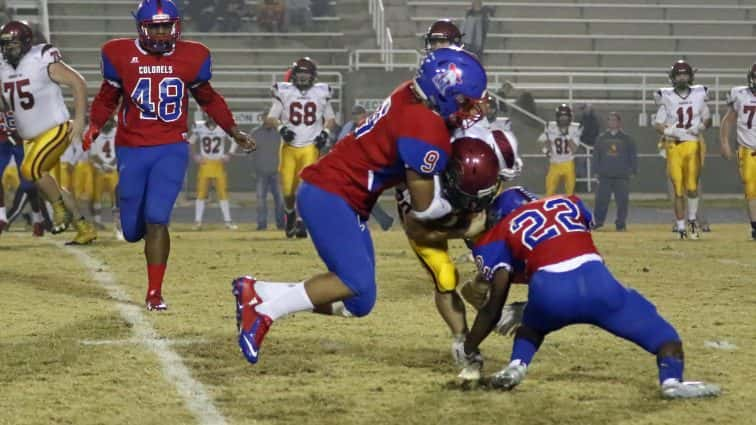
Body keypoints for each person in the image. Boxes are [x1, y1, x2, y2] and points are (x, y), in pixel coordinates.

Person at [231, 47, 488, 365]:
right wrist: (467, 222)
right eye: (464, 100)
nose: (467, 108)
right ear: (444, 90)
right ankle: (264, 312)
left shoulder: (408, 92)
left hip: (340, 194)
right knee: (353, 281)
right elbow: (424, 208)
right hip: (331, 194)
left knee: (360, 301)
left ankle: (257, 291)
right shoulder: (425, 126)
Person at [458, 187, 721, 399]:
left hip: (550, 293)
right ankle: (672, 381)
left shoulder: (502, 230)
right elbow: (573, 236)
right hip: (600, 285)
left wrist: (469, 346)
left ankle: (516, 365)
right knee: (666, 339)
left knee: (532, 327)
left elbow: (493, 307)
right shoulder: (568, 202)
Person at [83, 0, 254, 311]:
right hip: (131, 147)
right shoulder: (118, 53)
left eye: (166, 25)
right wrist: (94, 125)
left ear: (177, 25)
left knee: (158, 218)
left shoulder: (194, 55)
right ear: (141, 27)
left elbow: (208, 98)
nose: (161, 32)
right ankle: (126, 208)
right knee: (134, 232)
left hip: (171, 147)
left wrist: (233, 130)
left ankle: (154, 293)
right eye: (154, 26)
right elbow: (108, 96)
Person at [0, 20, 97, 244]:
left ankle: (59, 211)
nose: (7, 49)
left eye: (12, 44)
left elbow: (78, 83)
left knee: (29, 169)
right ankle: (83, 227)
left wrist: (80, 119)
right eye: (4, 44)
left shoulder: (41, 58)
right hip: (29, 137)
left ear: (25, 43)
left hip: (56, 128)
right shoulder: (3, 65)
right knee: (47, 183)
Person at [265, 57, 335, 238]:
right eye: (300, 73)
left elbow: (330, 119)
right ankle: (290, 214)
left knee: (305, 188)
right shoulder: (285, 92)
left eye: (306, 73)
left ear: (313, 76)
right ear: (294, 75)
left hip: (310, 146)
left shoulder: (321, 93)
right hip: (289, 147)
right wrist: (282, 128)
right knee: (288, 190)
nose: (303, 77)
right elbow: (271, 117)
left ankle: (301, 222)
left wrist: (325, 134)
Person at [654, 60, 711, 240]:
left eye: (685, 74)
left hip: (692, 144)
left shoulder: (699, 94)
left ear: (690, 76)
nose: (682, 77)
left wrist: (700, 128)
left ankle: (692, 222)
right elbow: (658, 123)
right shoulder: (666, 96)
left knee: (693, 188)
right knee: (678, 189)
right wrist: (669, 130)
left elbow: (707, 118)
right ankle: (680, 226)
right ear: (673, 77)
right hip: (673, 146)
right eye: (679, 74)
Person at [720, 63, 756, 240]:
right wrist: (725, 142)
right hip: (748, 149)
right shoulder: (740, 94)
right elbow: (728, 121)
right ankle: (755, 226)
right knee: (750, 188)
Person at [190, 115, 239, 230]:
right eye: (210, 115)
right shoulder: (199, 127)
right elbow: (191, 142)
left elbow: (235, 140)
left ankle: (228, 221)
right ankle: (198, 222)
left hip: (218, 163)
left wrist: (229, 154)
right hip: (205, 163)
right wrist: (195, 155)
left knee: (222, 193)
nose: (211, 117)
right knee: (201, 194)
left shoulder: (223, 127)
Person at [592, 112, 637, 231]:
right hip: (605, 175)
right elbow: (596, 155)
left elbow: (632, 155)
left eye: (614, 120)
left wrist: (632, 170)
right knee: (601, 200)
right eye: (610, 120)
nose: (612, 122)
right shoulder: (601, 138)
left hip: (621, 175)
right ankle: (598, 222)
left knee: (622, 201)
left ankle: (620, 224)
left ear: (619, 122)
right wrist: (595, 171)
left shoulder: (627, 139)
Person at [89, 117, 122, 239]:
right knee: (96, 196)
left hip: (114, 169)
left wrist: (112, 163)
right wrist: (104, 164)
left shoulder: (117, 132)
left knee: (116, 198)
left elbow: (120, 149)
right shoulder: (95, 134)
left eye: (108, 121)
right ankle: (97, 222)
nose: (106, 123)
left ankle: (117, 226)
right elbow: (93, 154)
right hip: (100, 169)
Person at [538, 104, 582, 196]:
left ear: (569, 117)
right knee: (549, 192)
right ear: (557, 117)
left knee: (570, 194)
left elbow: (574, 149)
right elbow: (541, 140)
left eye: (565, 116)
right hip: (554, 164)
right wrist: (546, 151)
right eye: (561, 116)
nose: (563, 119)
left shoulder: (575, 128)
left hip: (568, 163)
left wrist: (567, 135)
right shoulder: (551, 126)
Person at [251, 116, 285, 231]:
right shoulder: (255, 133)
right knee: (261, 200)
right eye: (267, 118)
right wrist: (253, 170)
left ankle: (281, 224)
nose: (269, 121)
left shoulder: (281, 133)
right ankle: (261, 224)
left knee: (280, 200)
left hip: (277, 171)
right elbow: (250, 152)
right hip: (261, 171)